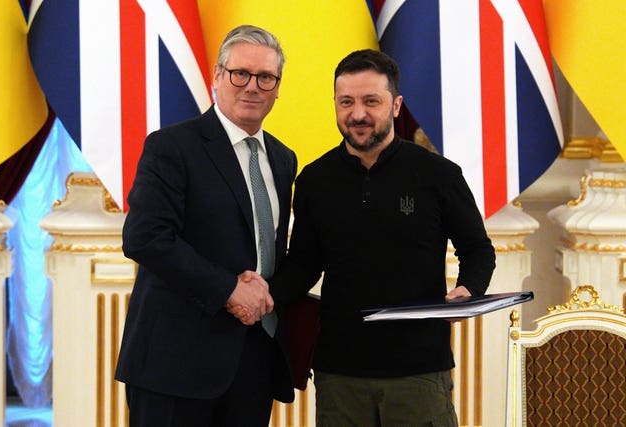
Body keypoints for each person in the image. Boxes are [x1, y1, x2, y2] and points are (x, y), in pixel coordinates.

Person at [257, 49, 496, 426]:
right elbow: (303, 264)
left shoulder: (439, 175)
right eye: (346, 102)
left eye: (372, 101)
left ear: (396, 105)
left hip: (419, 370)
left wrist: (468, 290)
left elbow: (478, 249)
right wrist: (260, 295)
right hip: (340, 372)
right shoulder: (313, 181)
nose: (358, 114)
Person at [115, 25, 297, 427]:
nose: (252, 86)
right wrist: (228, 288)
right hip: (175, 366)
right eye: (240, 73)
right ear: (218, 76)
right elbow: (145, 237)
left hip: (253, 362)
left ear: (278, 87)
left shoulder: (284, 159)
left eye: (266, 77)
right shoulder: (172, 146)